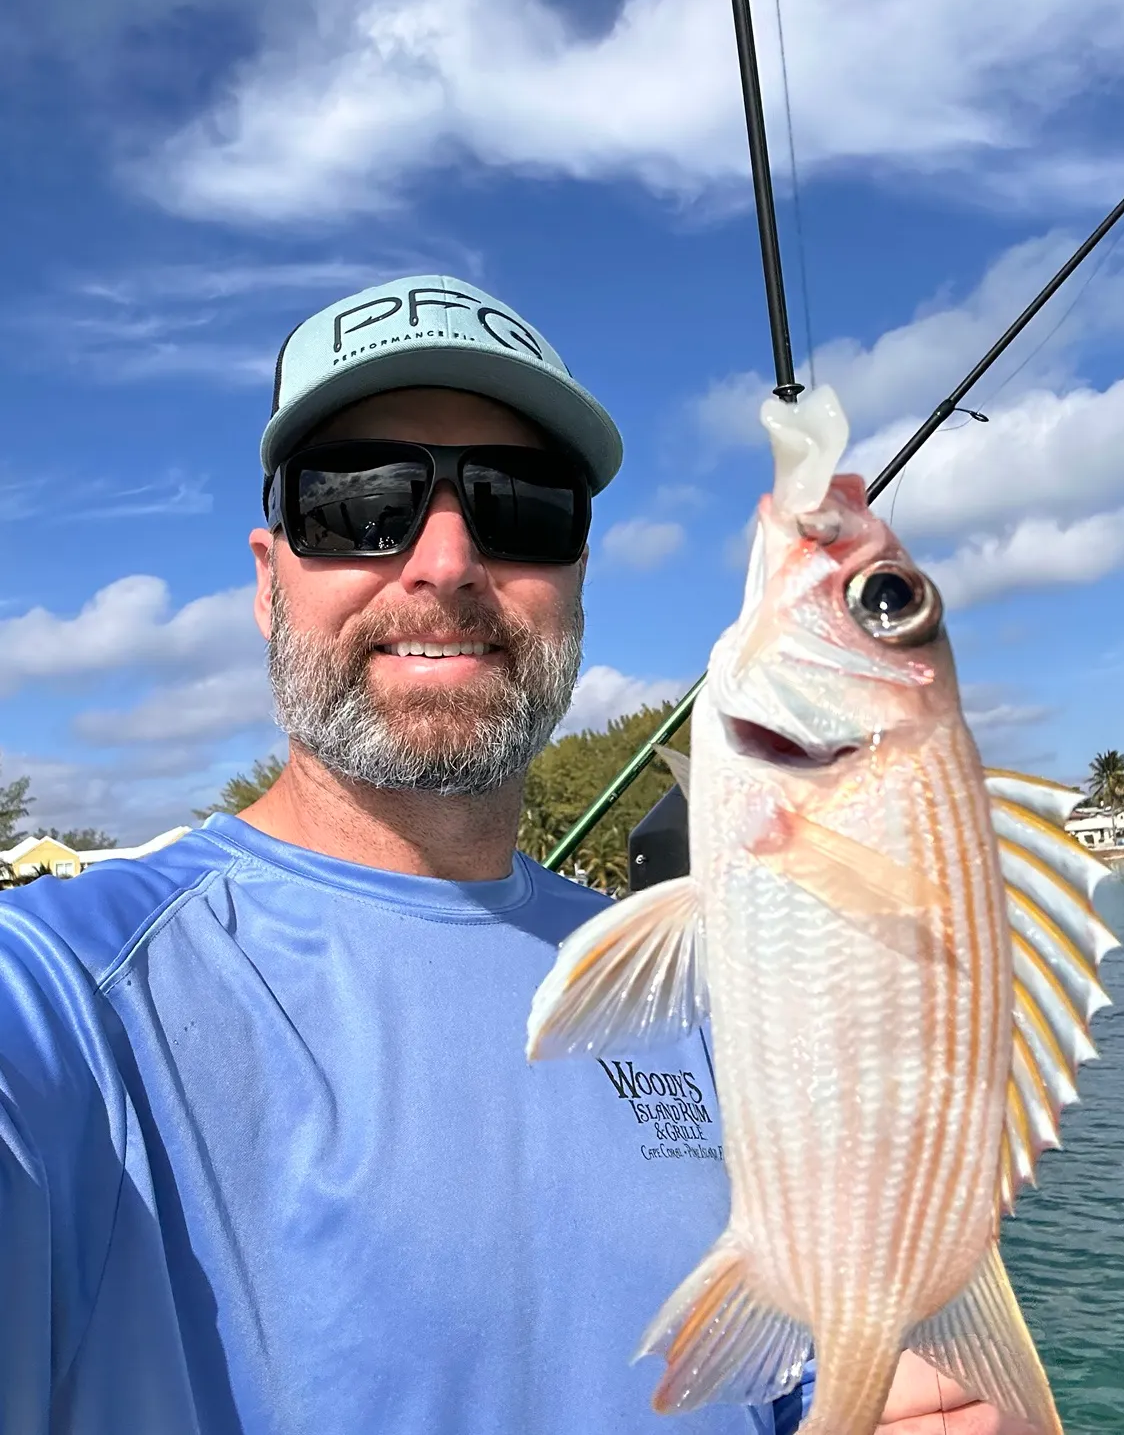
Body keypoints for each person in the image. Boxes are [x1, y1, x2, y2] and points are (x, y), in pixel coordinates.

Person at [0, 276, 1002, 1435]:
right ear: (268, 583)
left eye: (521, 506)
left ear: (576, 579)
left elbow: (806, 1366)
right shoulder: (63, 993)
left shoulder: (720, 982)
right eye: (357, 502)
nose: (447, 561)